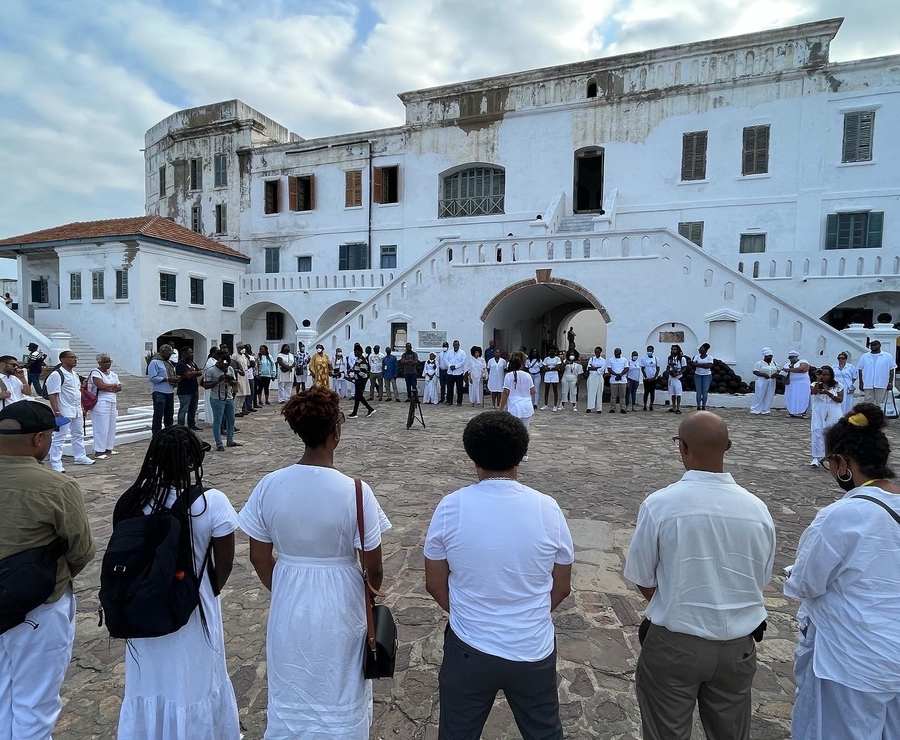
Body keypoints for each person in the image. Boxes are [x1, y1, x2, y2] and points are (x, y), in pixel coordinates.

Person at [238, 387, 389, 738]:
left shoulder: (269, 485)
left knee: (292, 675)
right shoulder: (355, 490)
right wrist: (369, 593)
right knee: (339, 676)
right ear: (337, 429)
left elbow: (259, 556)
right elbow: (375, 565)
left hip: (289, 591)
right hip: (341, 593)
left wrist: (290, 588)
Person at [624, 412, 776, 740]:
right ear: (728, 447)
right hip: (738, 646)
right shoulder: (757, 510)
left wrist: (677, 601)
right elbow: (759, 580)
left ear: (683, 448)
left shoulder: (660, 505)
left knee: (666, 731)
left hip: (675, 640)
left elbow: (643, 578)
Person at [424, 411, 573, 738]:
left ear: (472, 456)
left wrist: (473, 614)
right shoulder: (547, 508)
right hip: (533, 648)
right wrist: (525, 615)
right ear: (521, 455)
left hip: (469, 648)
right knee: (545, 731)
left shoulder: (451, 507)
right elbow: (562, 586)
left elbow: (435, 583)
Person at [113, 427, 240, 740]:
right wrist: (205, 593)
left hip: (142, 605)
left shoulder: (131, 501)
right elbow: (222, 566)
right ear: (195, 462)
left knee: (152, 681)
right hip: (193, 605)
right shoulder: (211, 502)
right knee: (194, 682)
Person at [785, 404, 900, 740]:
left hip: (851, 658)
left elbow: (805, 582)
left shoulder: (842, 516)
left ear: (844, 463)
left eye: (830, 463)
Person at [0, 402, 95, 739]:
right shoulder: (55, 486)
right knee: (35, 705)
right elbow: (81, 552)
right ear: (39, 439)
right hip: (39, 605)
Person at [46, 350, 94, 472]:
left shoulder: (75, 374)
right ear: (63, 359)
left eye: (75, 357)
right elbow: (53, 394)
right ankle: (56, 462)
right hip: (64, 410)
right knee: (59, 437)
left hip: (76, 409)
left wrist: (82, 408)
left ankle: (80, 456)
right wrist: (56, 411)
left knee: (78, 434)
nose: (75, 359)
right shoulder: (57, 375)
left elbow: (77, 393)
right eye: (71, 357)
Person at [202, 350, 241, 452]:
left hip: (228, 397)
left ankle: (230, 440)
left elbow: (235, 383)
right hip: (216, 398)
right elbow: (205, 385)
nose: (224, 366)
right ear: (218, 361)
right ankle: (219, 444)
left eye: (226, 365)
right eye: (223, 364)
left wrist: (230, 380)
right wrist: (218, 380)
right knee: (217, 422)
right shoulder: (211, 370)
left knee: (231, 420)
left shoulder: (230, 369)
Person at [500, 355, 536, 461]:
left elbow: (506, 392)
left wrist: (501, 407)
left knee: (512, 431)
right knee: (525, 431)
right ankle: (524, 453)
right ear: (521, 365)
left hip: (515, 406)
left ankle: (513, 452)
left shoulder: (508, 376)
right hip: (527, 406)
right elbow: (533, 391)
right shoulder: (527, 375)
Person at [88, 353, 122, 459]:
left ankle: (108, 448)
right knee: (101, 426)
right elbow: (101, 386)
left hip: (112, 400)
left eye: (109, 361)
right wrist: (112, 386)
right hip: (100, 402)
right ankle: (99, 450)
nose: (108, 364)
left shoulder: (113, 374)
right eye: (105, 362)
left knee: (111, 426)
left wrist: (109, 388)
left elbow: (119, 387)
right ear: (99, 362)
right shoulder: (96, 373)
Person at [809, 366, 844, 467]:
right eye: (823, 374)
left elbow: (840, 399)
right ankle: (816, 457)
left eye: (828, 375)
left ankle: (833, 456)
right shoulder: (815, 384)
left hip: (833, 410)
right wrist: (818, 381)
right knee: (817, 431)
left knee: (833, 433)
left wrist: (828, 393)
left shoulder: (838, 385)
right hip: (819, 410)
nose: (826, 377)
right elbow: (814, 392)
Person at [147, 345, 179, 436]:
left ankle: (168, 435)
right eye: (169, 353)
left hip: (169, 391)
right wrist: (167, 379)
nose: (170, 355)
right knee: (158, 416)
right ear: (164, 352)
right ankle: (156, 435)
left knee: (169, 416)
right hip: (159, 392)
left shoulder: (168, 362)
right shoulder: (154, 362)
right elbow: (153, 378)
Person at [857, 339, 896, 407]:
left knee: (880, 403)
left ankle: (878, 416)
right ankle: (869, 416)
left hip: (881, 383)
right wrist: (861, 382)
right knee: (868, 403)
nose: (873, 346)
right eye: (871, 345)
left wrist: (890, 383)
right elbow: (860, 369)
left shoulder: (887, 356)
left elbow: (891, 370)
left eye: (875, 345)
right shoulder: (865, 356)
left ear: (879, 345)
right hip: (868, 383)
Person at [175, 347, 202, 430]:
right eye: (189, 352)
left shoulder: (192, 363)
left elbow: (199, 372)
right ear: (184, 353)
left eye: (192, 352)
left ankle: (191, 424)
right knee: (183, 409)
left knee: (193, 408)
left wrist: (193, 373)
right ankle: (181, 426)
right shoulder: (180, 364)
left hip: (194, 389)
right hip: (184, 391)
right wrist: (193, 373)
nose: (192, 354)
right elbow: (188, 375)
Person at [347, 345, 375, 418]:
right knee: (359, 396)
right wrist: (351, 370)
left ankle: (355, 412)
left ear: (359, 351)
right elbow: (356, 368)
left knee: (358, 396)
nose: (355, 353)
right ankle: (369, 409)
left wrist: (353, 378)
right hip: (358, 379)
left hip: (361, 380)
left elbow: (362, 372)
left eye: (356, 351)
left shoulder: (363, 360)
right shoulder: (357, 359)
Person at [783, 351, 812, 417]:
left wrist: (790, 370)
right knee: (791, 397)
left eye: (792, 358)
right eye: (789, 358)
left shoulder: (803, 361)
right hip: (791, 383)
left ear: (796, 357)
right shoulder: (787, 364)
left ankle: (803, 412)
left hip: (802, 383)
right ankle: (791, 411)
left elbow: (803, 369)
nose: (790, 359)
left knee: (803, 397)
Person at [750, 348, 779, 415]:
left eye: (771, 356)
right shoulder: (759, 363)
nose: (770, 357)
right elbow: (755, 371)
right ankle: (755, 409)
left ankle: (766, 409)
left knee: (770, 395)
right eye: (768, 356)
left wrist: (776, 374)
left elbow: (778, 370)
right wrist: (763, 374)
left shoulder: (774, 363)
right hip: (762, 380)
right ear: (765, 356)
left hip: (772, 380)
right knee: (759, 394)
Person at [832, 351, 857, 416]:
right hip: (836, 385)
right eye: (839, 358)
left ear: (846, 359)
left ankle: (846, 414)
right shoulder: (834, 367)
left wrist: (850, 384)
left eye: (842, 358)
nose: (840, 360)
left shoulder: (850, 367)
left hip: (846, 386)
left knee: (847, 401)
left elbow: (854, 376)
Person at [666, 344, 688, 414]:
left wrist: (679, 373)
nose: (673, 350)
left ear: (678, 350)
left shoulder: (682, 359)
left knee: (678, 393)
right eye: (672, 349)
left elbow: (684, 367)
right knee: (672, 393)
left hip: (678, 378)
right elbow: (667, 367)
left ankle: (678, 407)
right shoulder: (669, 358)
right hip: (671, 377)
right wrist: (669, 372)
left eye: (675, 349)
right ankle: (673, 407)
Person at [584, 347, 606, 414]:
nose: (597, 353)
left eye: (598, 352)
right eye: (596, 352)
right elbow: (589, 368)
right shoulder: (592, 359)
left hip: (599, 377)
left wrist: (594, 368)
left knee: (599, 392)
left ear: (600, 352)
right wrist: (597, 368)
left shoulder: (603, 360)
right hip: (592, 377)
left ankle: (599, 408)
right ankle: (589, 407)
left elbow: (601, 370)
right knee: (590, 392)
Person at [692, 343, 714, 411]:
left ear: (705, 350)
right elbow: (693, 364)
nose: (700, 350)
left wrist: (699, 365)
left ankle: (703, 405)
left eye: (701, 349)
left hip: (707, 375)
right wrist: (704, 365)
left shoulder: (710, 357)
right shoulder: (697, 356)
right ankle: (698, 405)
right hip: (697, 375)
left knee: (705, 391)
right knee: (699, 391)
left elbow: (709, 366)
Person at [445, 340, 467, 406]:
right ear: (453, 345)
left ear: (459, 345)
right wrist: (449, 366)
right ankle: (449, 401)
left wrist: (456, 366)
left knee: (459, 388)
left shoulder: (462, 353)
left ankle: (459, 402)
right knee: (449, 388)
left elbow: (463, 362)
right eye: (454, 345)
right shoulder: (449, 352)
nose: (456, 346)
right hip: (450, 373)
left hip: (458, 373)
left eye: (457, 345)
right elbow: (445, 360)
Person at [607, 348, 629, 414]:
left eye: (617, 352)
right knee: (613, 396)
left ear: (620, 353)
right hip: (614, 380)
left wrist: (621, 374)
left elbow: (626, 368)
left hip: (622, 381)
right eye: (615, 352)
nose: (616, 353)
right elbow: (609, 369)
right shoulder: (611, 360)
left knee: (622, 396)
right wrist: (616, 375)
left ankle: (622, 408)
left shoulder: (624, 360)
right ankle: (612, 408)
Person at [232, 343, 251, 417]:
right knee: (239, 394)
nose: (243, 349)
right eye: (241, 347)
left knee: (244, 393)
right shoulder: (234, 355)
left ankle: (240, 409)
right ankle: (236, 411)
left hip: (245, 376)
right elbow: (232, 365)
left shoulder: (244, 356)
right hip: (238, 376)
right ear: (238, 348)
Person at [201, 345, 218, 422]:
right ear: (213, 353)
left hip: (214, 385)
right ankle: (212, 420)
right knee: (210, 404)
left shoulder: (215, 360)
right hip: (210, 384)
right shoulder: (210, 361)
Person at [640, 346, 660, 411]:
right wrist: (646, 377)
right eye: (648, 350)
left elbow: (657, 369)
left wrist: (654, 377)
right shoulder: (643, 359)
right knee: (646, 392)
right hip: (646, 379)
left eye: (650, 350)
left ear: (653, 351)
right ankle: (645, 405)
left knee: (652, 392)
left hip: (653, 379)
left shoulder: (656, 359)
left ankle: (651, 405)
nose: (649, 352)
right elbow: (642, 369)